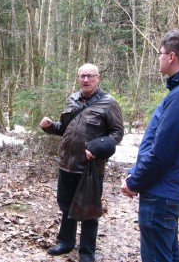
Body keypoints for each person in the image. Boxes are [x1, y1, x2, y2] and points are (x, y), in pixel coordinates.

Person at [120, 30, 179, 262]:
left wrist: (134, 181)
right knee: (167, 255)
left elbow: (163, 151)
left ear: (171, 57)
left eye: (159, 54)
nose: (158, 58)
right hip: (166, 191)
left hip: (160, 193)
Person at [40, 63, 124, 262]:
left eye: (90, 76)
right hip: (66, 162)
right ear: (78, 78)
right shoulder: (72, 99)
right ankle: (66, 242)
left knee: (89, 209)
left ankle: (87, 252)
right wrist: (51, 126)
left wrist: (99, 149)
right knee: (66, 205)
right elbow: (64, 128)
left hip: (90, 168)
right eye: (82, 76)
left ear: (97, 78)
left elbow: (117, 133)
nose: (86, 80)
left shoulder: (109, 103)